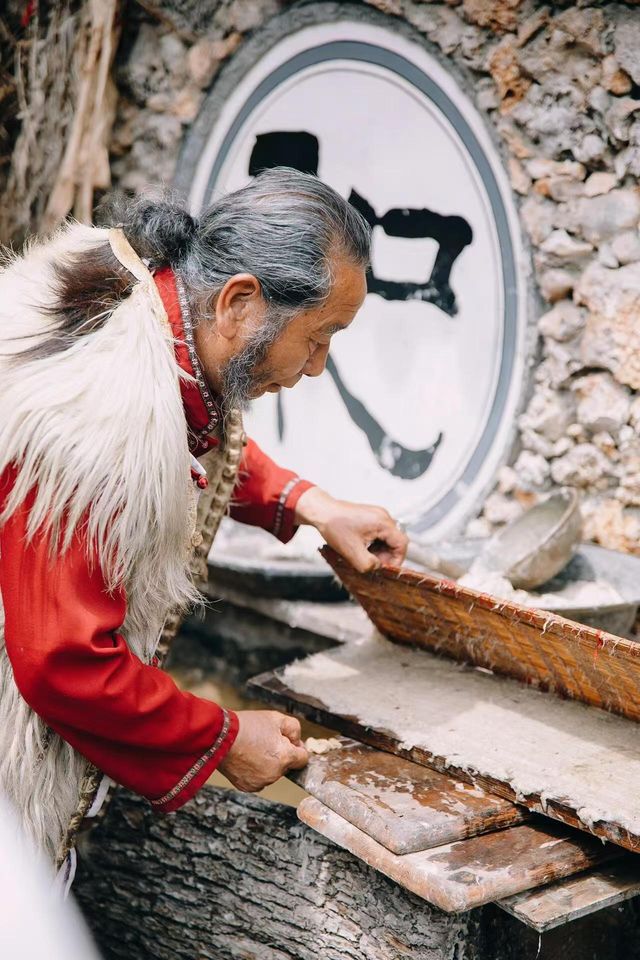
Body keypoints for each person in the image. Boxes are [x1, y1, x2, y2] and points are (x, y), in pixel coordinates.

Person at [0, 168, 408, 883]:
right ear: (240, 303)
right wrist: (221, 736)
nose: (318, 368)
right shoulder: (101, 416)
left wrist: (306, 502)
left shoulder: (146, 298)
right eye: (319, 338)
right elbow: (64, 664)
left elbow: (189, 432)